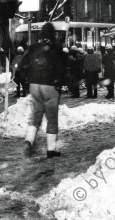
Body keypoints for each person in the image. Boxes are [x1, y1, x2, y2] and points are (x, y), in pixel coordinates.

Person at [19, 22, 67, 158]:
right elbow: (62, 68)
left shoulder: (32, 48)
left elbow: (22, 66)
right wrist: (60, 82)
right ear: (53, 34)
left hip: (34, 85)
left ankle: (28, 141)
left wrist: (27, 78)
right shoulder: (56, 49)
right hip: (50, 85)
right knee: (52, 118)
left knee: (35, 115)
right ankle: (51, 149)